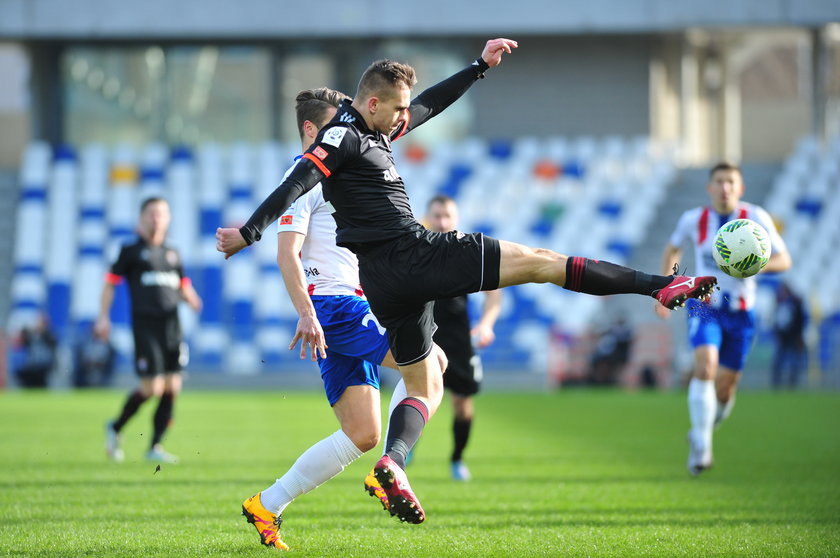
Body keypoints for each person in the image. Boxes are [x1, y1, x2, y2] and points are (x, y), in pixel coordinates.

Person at [218, 37, 716, 523]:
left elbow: (430, 105)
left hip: (382, 285)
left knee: (419, 379)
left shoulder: (373, 129)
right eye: (396, 110)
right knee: (542, 262)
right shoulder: (342, 137)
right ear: (372, 103)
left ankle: (389, 463)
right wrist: (249, 231)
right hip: (413, 255)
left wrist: (479, 66)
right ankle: (659, 284)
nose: (404, 118)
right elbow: (297, 181)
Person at [240, 87, 417, 551]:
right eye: (336, 120)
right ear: (310, 129)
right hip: (336, 306)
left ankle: (268, 504)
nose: (345, 127)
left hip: (346, 304)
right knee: (430, 364)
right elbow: (287, 254)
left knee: (362, 432)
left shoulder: (342, 168)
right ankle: (392, 469)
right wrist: (307, 313)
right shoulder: (305, 177)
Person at [655, 161, 792, 476]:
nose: (725, 187)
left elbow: (784, 259)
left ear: (740, 188)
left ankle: (701, 430)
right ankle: (702, 447)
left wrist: (755, 265)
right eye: (719, 181)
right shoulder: (694, 219)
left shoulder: (755, 218)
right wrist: (665, 287)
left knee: (725, 390)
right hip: (704, 304)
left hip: (741, 311)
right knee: (705, 366)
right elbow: (672, 248)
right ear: (709, 187)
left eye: (731, 181)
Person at [97, 197, 202, 464]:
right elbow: (110, 283)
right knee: (152, 387)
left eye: (162, 214)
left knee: (172, 386)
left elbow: (183, 284)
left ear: (168, 219)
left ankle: (155, 446)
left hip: (172, 327)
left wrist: (191, 297)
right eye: (152, 213)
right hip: (145, 327)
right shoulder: (130, 251)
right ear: (142, 217)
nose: (157, 218)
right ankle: (116, 427)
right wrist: (103, 317)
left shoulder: (173, 253)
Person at [423, 194, 501, 481]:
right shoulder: (418, 249)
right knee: (416, 397)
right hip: (423, 339)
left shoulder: (467, 252)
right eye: (437, 216)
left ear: (455, 220)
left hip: (457, 341)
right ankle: (402, 452)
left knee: (462, 404)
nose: (442, 222)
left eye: (447, 216)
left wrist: (486, 324)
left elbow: (494, 293)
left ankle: (457, 459)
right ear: (428, 218)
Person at [771, 282, 807, 389]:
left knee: (794, 362)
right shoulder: (779, 302)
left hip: (794, 338)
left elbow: (800, 320)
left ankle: (792, 384)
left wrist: (799, 336)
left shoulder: (796, 302)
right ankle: (776, 384)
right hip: (783, 338)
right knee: (779, 362)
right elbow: (776, 321)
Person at [13, 314, 57, 388]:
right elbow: (22, 340)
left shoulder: (48, 335)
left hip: (44, 366)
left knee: (42, 386)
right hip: (32, 365)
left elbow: (53, 343)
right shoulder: (31, 335)